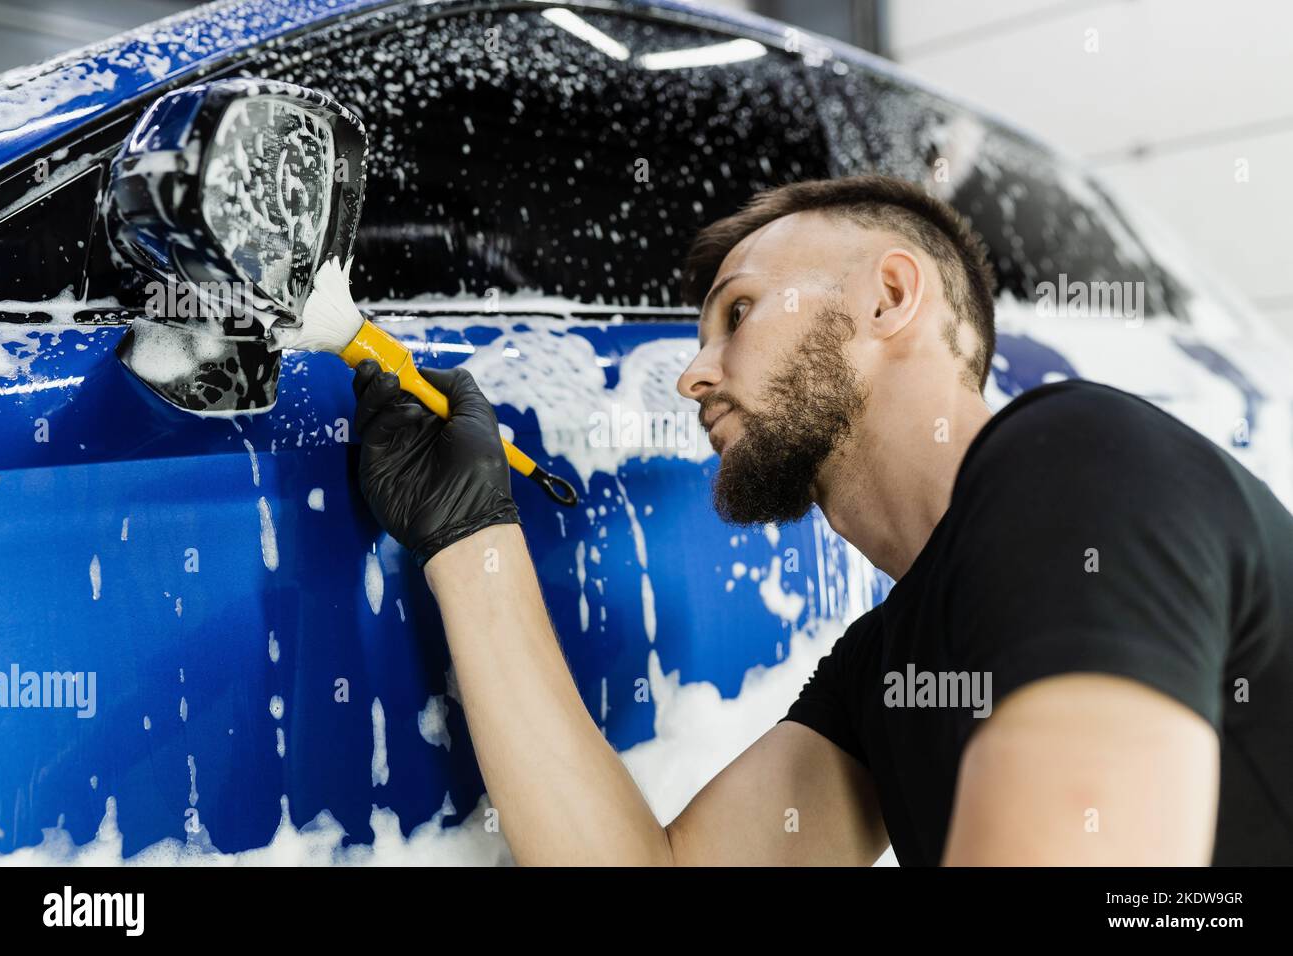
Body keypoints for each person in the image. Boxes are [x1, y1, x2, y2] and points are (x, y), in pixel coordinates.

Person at [350, 174, 1293, 865]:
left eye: (741, 311)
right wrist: (471, 541)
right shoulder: (888, 673)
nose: (692, 374)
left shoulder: (1079, 462)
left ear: (889, 298)